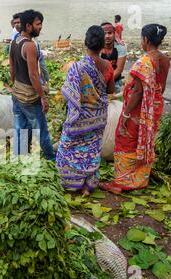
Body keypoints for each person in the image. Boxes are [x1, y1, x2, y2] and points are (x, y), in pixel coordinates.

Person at [100, 24, 170, 194]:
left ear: (145, 40)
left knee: (125, 140)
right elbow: (161, 87)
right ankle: (140, 179)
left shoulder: (144, 62)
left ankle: (121, 183)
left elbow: (138, 92)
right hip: (154, 107)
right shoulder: (165, 59)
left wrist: (125, 114)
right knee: (146, 139)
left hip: (138, 110)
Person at [57, 26, 115, 196]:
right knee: (91, 150)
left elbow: (69, 92)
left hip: (80, 117)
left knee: (67, 148)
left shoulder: (77, 67)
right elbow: (110, 90)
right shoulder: (107, 66)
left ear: (85, 43)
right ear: (103, 44)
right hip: (98, 116)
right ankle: (87, 186)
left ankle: (70, 182)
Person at [10, 9, 55, 161]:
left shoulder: (14, 41)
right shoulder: (29, 46)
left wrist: (14, 85)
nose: (40, 27)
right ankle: (51, 159)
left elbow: (12, 68)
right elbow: (33, 74)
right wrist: (42, 97)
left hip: (17, 93)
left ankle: (19, 157)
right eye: (38, 24)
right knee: (41, 130)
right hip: (30, 97)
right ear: (28, 26)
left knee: (20, 127)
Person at [100, 22, 127, 93]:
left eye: (110, 33)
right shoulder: (97, 47)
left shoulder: (120, 48)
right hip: (99, 81)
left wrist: (105, 82)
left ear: (114, 34)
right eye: (104, 33)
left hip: (115, 81)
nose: (107, 36)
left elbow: (119, 70)